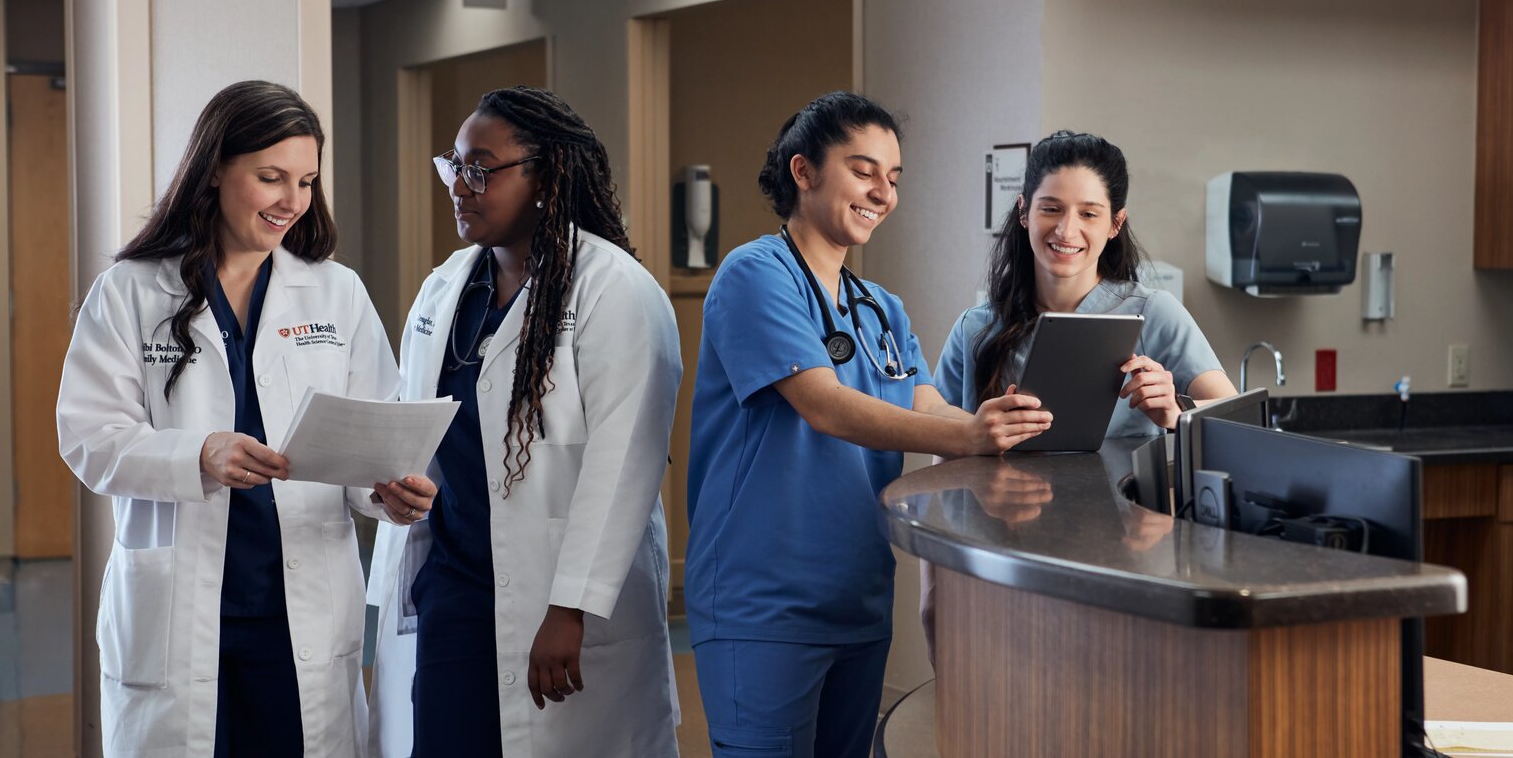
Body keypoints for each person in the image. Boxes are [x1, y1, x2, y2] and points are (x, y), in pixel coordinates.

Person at [56, 80, 436, 758]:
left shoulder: (335, 293)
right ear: (216, 170)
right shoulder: (130, 292)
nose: (293, 200)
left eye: (307, 180)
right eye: (271, 177)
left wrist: (388, 493)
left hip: (301, 612)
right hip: (178, 608)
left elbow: (378, 434)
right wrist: (197, 455)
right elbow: (89, 438)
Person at [684, 91, 1053, 758]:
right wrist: (967, 436)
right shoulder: (755, 275)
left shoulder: (879, 306)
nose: (882, 192)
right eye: (862, 170)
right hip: (763, 601)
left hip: (855, 593)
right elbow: (823, 403)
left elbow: (923, 401)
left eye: (893, 177)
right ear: (804, 172)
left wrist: (988, 421)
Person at [367, 86, 683, 757]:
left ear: (545, 176)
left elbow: (625, 460)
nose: (460, 186)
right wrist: (392, 483)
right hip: (455, 579)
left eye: (481, 169)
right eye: (454, 167)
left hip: (558, 592)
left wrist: (571, 606)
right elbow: (416, 419)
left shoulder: (616, 291)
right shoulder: (447, 287)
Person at [934, 129, 1237, 433]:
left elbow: (1235, 415)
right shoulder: (973, 328)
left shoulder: (1154, 313)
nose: (1066, 231)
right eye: (1051, 209)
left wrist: (1177, 410)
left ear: (1115, 223)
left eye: (1089, 214)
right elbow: (944, 455)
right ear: (1024, 211)